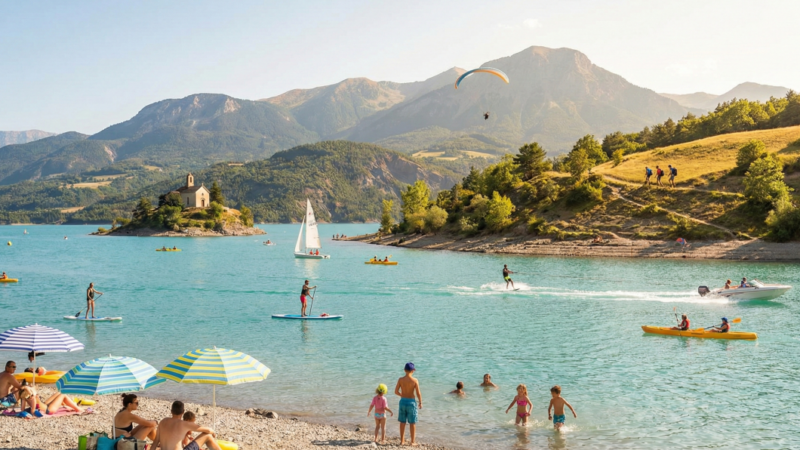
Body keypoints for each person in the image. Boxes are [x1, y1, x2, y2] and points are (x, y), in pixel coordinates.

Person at [151, 400, 221, 450]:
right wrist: (213, 433)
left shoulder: (163, 422)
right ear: (183, 411)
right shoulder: (184, 424)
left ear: (171, 411)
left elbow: (155, 442)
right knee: (207, 435)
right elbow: (208, 430)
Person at [395, 362, 422, 446]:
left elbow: (396, 391)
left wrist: (402, 395)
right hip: (411, 402)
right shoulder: (415, 380)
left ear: (404, 370)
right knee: (412, 422)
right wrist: (420, 402)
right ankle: (412, 441)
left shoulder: (400, 379)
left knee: (402, 422)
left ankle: (402, 441)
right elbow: (418, 393)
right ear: (413, 370)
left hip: (402, 402)